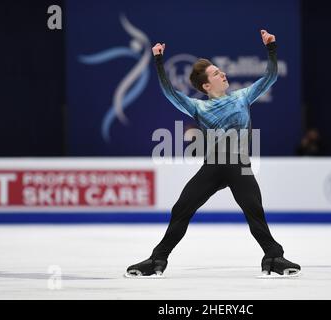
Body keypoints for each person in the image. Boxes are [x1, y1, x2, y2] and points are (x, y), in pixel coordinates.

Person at [125, 30, 300, 278]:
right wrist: (158, 61)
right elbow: (170, 93)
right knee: (181, 209)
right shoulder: (199, 107)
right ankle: (157, 259)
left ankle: (273, 257)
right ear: (207, 85)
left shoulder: (243, 97)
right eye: (217, 73)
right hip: (213, 167)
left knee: (254, 210)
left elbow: (270, 75)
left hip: (239, 165)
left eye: (221, 70)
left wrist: (271, 47)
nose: (223, 73)